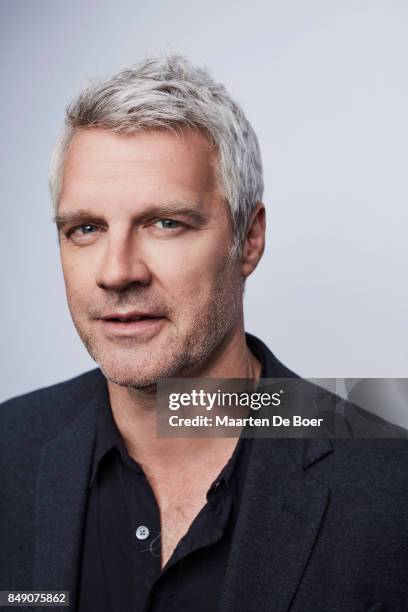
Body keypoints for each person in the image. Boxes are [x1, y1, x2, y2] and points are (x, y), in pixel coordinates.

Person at [1, 55, 407, 612]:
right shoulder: (8, 449)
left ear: (250, 238)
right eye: (86, 228)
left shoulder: (392, 488)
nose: (117, 271)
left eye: (166, 223)